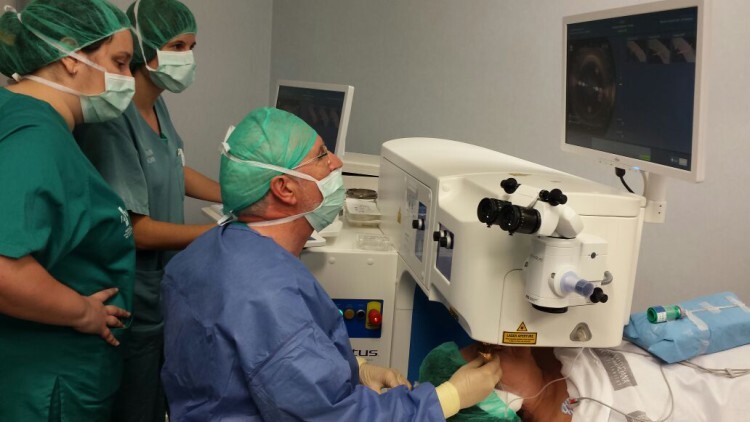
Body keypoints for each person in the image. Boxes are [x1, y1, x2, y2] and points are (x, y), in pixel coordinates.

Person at [160, 107, 503, 421]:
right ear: (284, 188)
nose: (337, 162)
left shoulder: (202, 253)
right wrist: (449, 397)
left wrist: (357, 367)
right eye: (322, 155)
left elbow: (262, 363)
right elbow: (332, 416)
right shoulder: (270, 298)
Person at [73, 1, 220, 420]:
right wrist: (219, 233)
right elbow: (134, 230)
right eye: (177, 46)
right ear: (143, 46)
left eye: (191, 47)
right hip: (130, 293)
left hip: (159, 290)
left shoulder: (155, 105)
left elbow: (172, 165)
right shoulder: (112, 119)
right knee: (136, 406)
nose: (187, 58)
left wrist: (239, 195)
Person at [0, 0, 136, 420]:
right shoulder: (36, 138)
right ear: (70, 56)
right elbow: (3, 270)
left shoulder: (19, 114)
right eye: (120, 62)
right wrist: (83, 313)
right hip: (48, 382)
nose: (129, 79)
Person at [462, 341, 750, 422]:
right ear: (506, 403)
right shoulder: (599, 412)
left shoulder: (561, 346)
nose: (497, 345)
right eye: (487, 356)